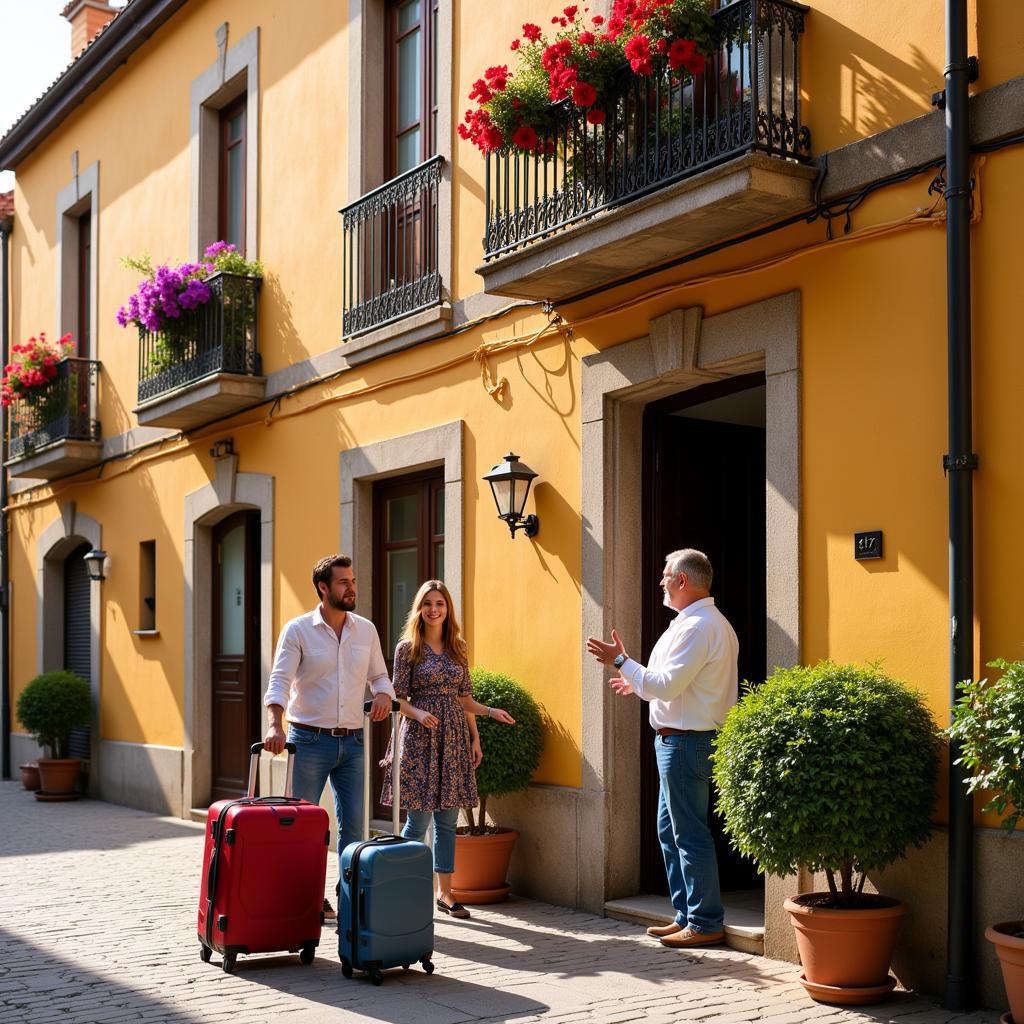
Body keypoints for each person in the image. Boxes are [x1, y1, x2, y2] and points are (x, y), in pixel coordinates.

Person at [586, 548, 738, 949]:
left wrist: (621, 661)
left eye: (666, 575)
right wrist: (635, 680)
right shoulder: (693, 623)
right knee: (670, 831)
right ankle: (687, 914)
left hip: (688, 743)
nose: (661, 581)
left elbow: (666, 686)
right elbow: (665, 684)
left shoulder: (698, 627)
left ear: (683, 580)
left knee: (688, 833)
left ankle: (705, 922)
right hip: (678, 741)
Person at [263, 554, 394, 921]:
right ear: (323, 588)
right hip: (308, 741)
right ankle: (306, 897)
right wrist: (275, 724)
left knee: (354, 824)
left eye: (352, 581)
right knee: (303, 825)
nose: (352, 588)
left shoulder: (365, 630)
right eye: (343, 583)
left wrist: (384, 693)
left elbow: (380, 677)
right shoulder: (298, 630)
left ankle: (349, 897)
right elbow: (279, 681)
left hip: (353, 743)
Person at [380, 579, 515, 919]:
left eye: (439, 603)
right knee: (418, 820)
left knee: (447, 821)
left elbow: (464, 697)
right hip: (419, 737)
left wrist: (482, 723)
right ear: (419, 609)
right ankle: (407, 885)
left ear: (447, 608)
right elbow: (398, 698)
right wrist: (420, 712)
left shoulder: (458, 647)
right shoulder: (406, 648)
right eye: (427, 604)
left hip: (453, 736)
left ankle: (446, 893)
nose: (434, 609)